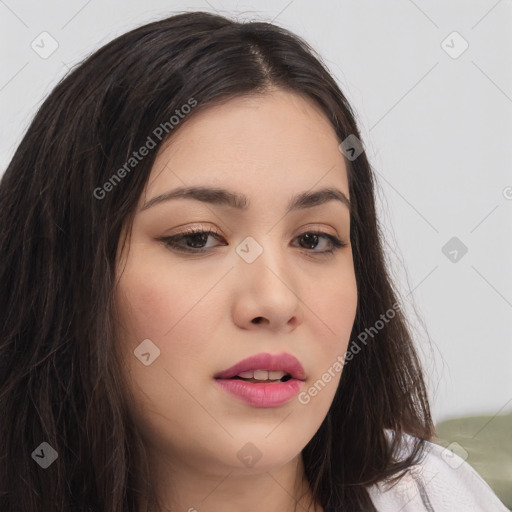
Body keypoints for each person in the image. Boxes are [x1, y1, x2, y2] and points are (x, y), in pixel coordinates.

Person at [0, 10, 508, 512]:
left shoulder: (433, 494)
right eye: (198, 239)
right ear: (64, 273)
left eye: (313, 240)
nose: (275, 300)